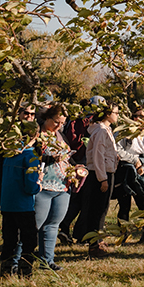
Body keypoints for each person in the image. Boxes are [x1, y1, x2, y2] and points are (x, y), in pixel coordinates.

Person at [73, 100, 119, 257]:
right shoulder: (100, 130)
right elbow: (97, 155)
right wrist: (102, 178)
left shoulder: (106, 129)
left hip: (106, 172)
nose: (117, 116)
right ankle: (94, 244)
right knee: (97, 210)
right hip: (100, 174)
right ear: (107, 114)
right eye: (116, 113)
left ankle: (98, 239)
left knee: (102, 208)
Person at [33, 104, 75, 271]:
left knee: (53, 224)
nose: (59, 126)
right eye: (56, 122)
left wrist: (76, 167)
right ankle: (19, 259)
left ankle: (47, 261)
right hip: (43, 186)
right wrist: (50, 159)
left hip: (62, 185)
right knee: (35, 224)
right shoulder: (37, 135)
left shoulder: (60, 135)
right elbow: (32, 157)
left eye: (62, 123)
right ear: (47, 118)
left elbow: (68, 156)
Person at [0, 125, 40, 277]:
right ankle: (25, 271)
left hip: (8, 203)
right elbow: (30, 186)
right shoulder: (30, 155)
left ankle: (5, 270)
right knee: (29, 240)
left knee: (9, 239)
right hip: (23, 205)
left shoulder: (10, 153)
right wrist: (38, 185)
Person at [114, 109, 144, 244]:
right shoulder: (124, 132)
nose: (137, 119)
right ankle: (122, 235)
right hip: (125, 169)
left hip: (142, 171)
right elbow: (116, 148)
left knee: (143, 205)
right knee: (124, 204)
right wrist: (133, 160)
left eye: (141, 116)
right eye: (135, 116)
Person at [58, 103, 95, 243]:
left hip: (73, 165)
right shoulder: (92, 123)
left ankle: (65, 228)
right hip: (86, 167)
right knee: (85, 202)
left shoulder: (73, 122)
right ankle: (80, 235)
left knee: (75, 200)